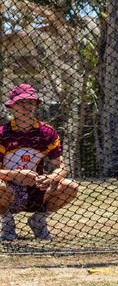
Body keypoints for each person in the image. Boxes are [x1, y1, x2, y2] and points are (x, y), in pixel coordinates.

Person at [0, 84, 79, 240]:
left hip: (37, 189)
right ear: (11, 106)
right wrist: (16, 175)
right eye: (21, 102)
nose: (26, 106)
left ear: (36, 105)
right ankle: (7, 222)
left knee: (71, 186)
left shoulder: (47, 132)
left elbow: (61, 167)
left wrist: (50, 178)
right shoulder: (3, 133)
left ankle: (39, 220)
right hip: (8, 191)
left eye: (30, 102)